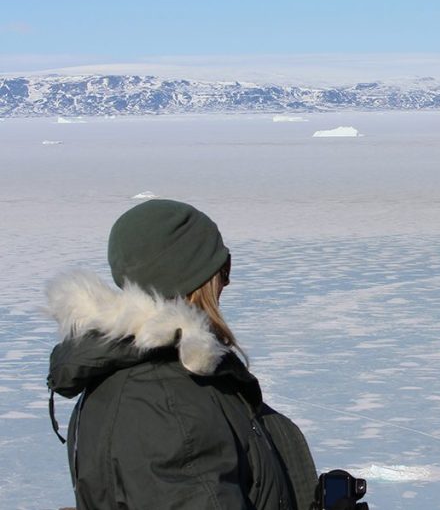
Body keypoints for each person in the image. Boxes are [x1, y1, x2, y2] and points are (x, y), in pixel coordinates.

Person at [46, 199, 320, 510]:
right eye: (222, 268)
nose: (225, 284)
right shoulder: (166, 401)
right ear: (192, 280)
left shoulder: (166, 382)